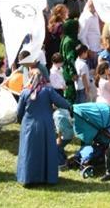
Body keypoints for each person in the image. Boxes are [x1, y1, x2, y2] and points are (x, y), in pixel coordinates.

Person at [14, 56, 72, 187]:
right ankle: (47, 178)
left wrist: (20, 120)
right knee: (46, 151)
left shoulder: (25, 92)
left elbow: (19, 112)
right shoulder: (48, 91)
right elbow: (63, 103)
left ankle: (28, 178)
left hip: (28, 125)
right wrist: (67, 106)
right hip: (45, 125)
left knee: (29, 152)